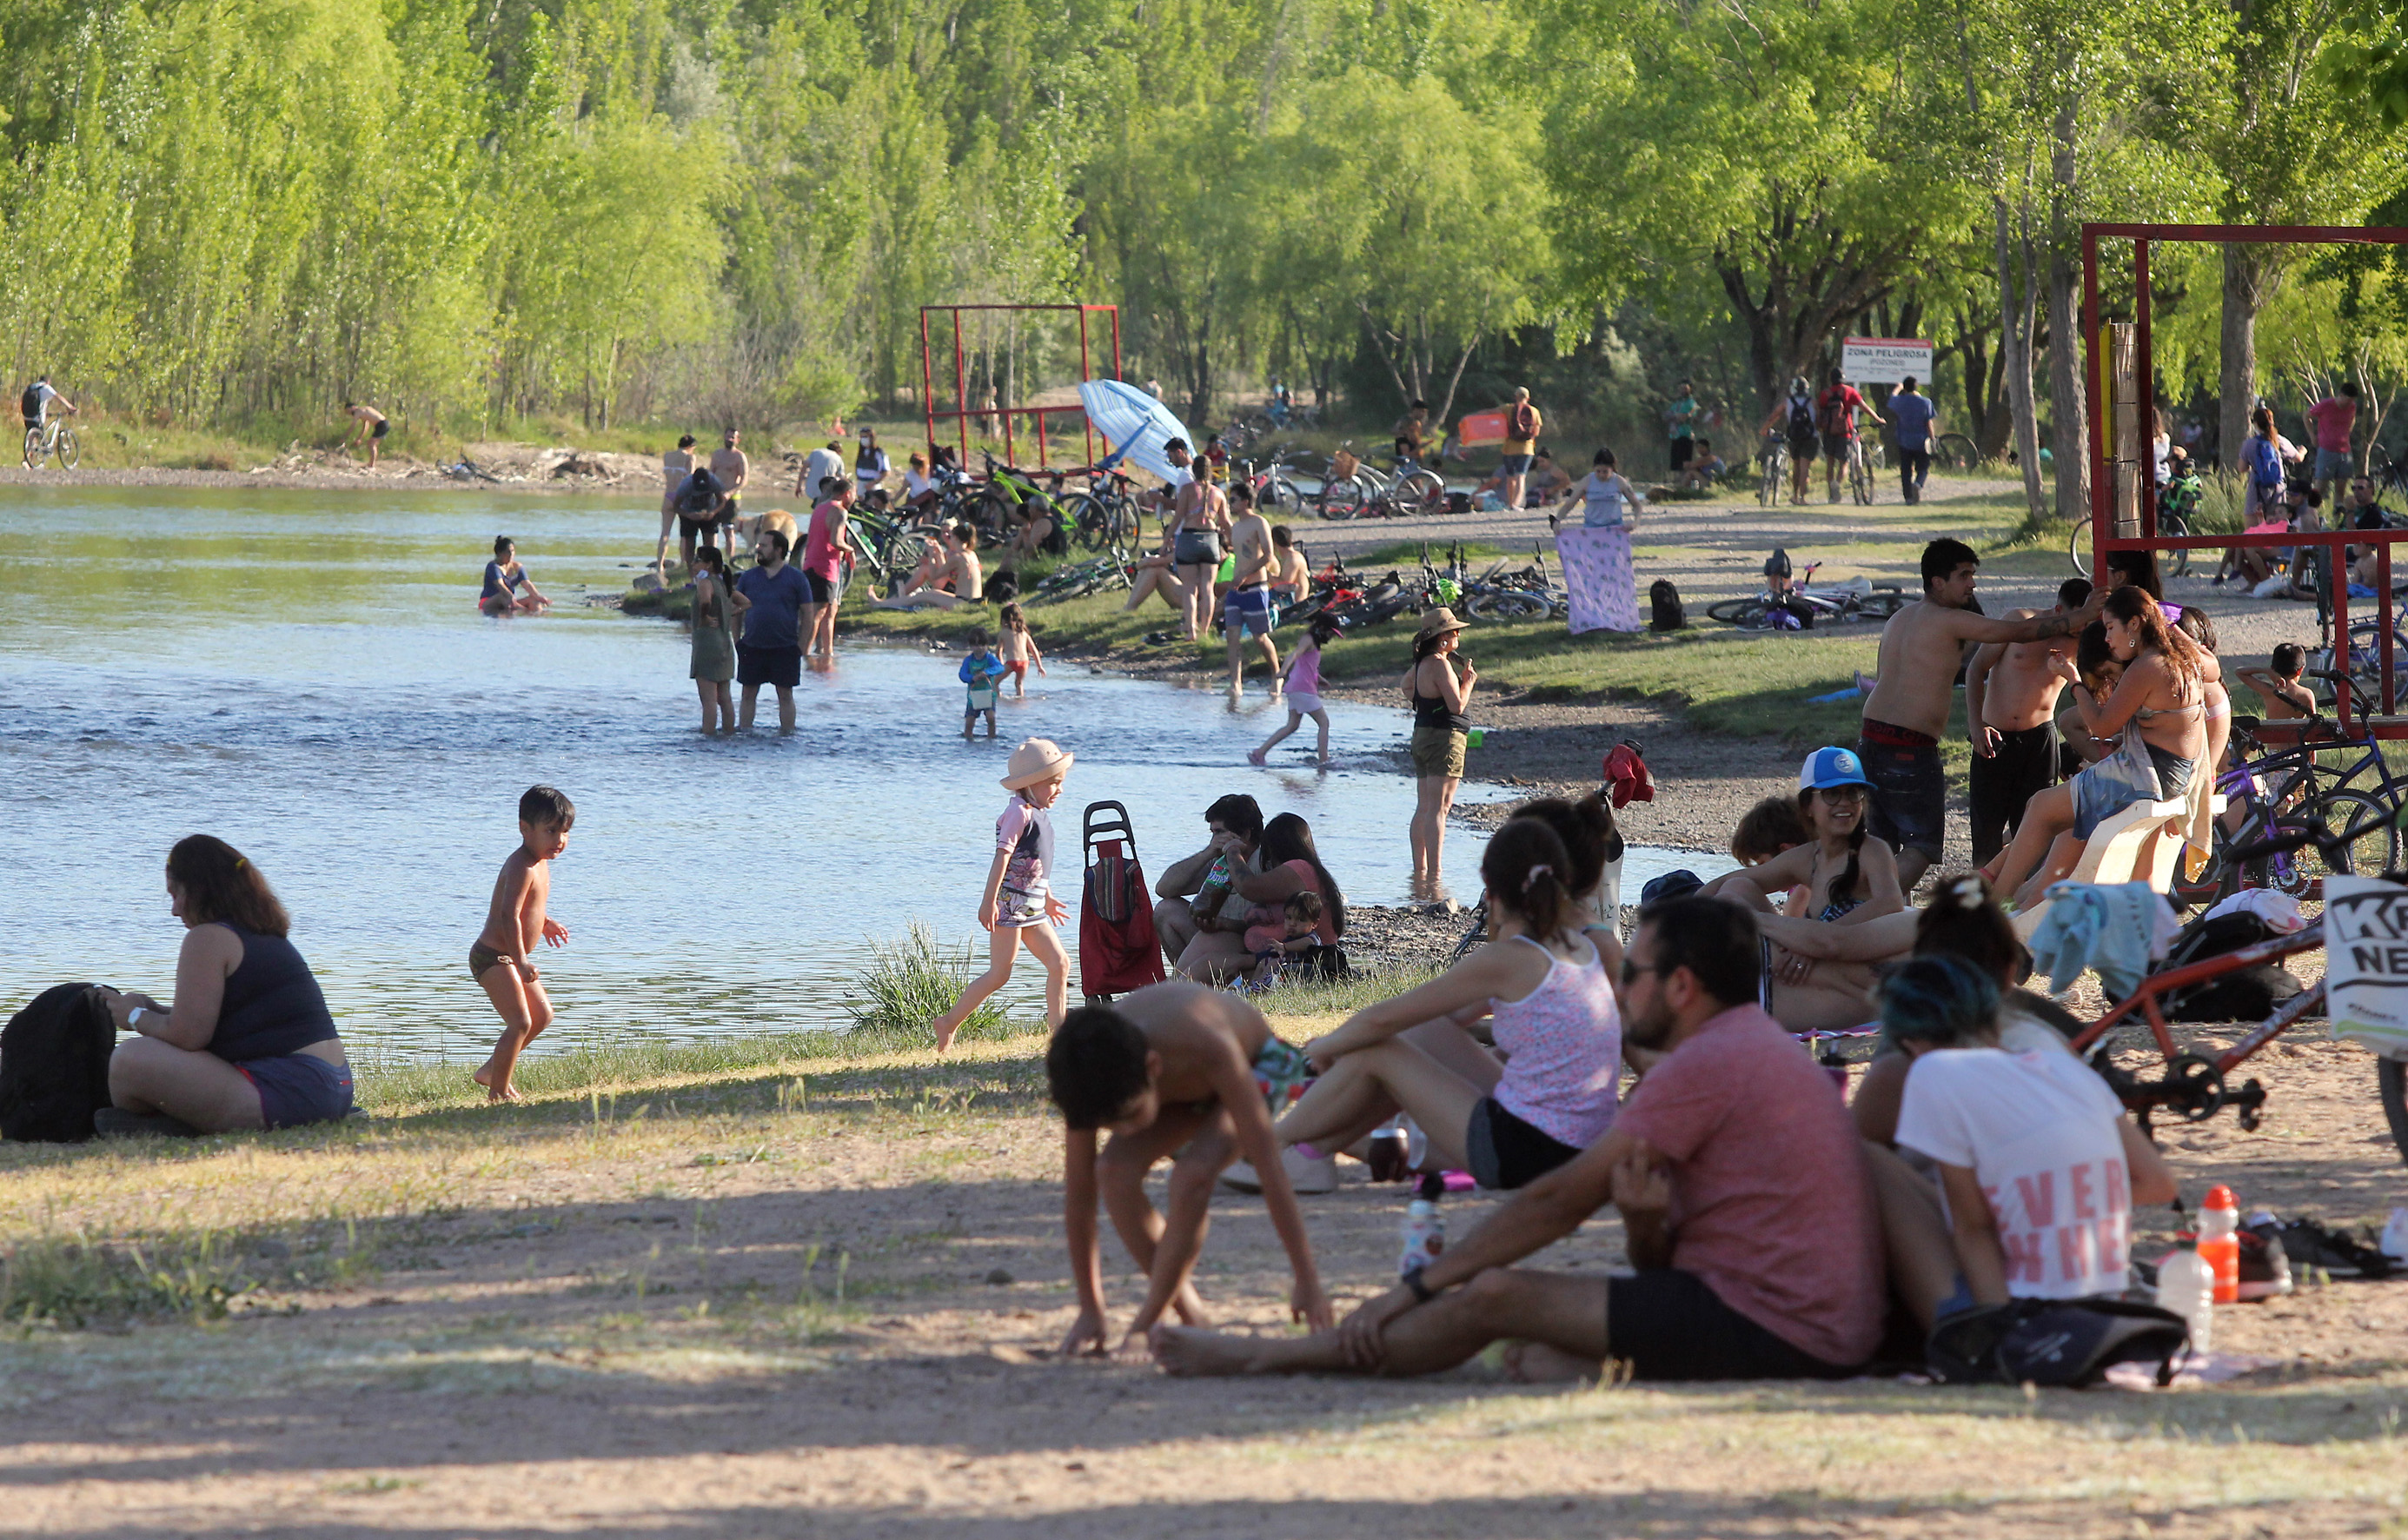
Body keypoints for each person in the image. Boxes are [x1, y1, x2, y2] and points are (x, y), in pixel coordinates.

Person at [1152, 896, 1883, 1384]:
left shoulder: (1706, 1063)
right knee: (1537, 1357)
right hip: (1796, 1317)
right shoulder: (1747, 1043)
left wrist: (1417, 1287)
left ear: (1683, 987)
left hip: (1779, 1329)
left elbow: (1557, 1203)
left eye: (1636, 976)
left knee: (1495, 1293)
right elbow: (1683, 1248)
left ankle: (1276, 1357)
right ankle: (1596, 1365)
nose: (1622, 990)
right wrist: (1639, 1224)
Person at [1266, 817, 1618, 1192]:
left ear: (1490, 889)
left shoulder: (1507, 960)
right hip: (1579, 1145)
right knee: (1420, 1029)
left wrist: (1322, 1048)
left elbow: (1382, 1020)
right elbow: (1436, 1019)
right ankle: (1311, 1153)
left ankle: (1263, 1144)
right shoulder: (1582, 946)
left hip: (1525, 1154)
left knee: (1379, 1053)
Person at [1867, 953, 2178, 1331]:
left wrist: (2000, 1335)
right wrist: (2060, 1207)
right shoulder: (2063, 1065)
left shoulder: (1936, 1071)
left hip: (2029, 1309)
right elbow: (2158, 1182)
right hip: (2104, 1304)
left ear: (1910, 1041)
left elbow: (1973, 1229)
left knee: (1869, 1160)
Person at [1047, 981, 1334, 1360]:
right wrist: (1089, 1308)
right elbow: (1081, 1195)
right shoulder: (1085, 1079)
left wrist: (1307, 1278)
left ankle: (1147, 1323)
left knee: (1192, 1176)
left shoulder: (1204, 1043)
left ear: (1153, 1068)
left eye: (1131, 1116)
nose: (1127, 1132)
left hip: (1260, 1064)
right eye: (1110, 1125)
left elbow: (1269, 1165)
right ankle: (1191, 1316)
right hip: (1182, 1088)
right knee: (1114, 1170)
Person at [1860, 539, 2103, 892]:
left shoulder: (1900, 618)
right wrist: (2078, 617)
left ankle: (1881, 927)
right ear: (1937, 582)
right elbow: (2013, 632)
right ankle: (1875, 910)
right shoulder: (1950, 619)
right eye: (1964, 576)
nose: (1972, 584)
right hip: (1908, 746)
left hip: (1870, 737)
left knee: (1883, 844)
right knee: (1922, 846)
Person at [93, 836, 355, 1136]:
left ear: (199, 891)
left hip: (287, 1092)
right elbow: (219, 1023)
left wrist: (135, 1017)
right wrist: (154, 1009)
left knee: (130, 1061)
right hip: (332, 1090)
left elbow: (190, 1035)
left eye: (175, 895)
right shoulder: (261, 932)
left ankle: (171, 1123)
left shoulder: (207, 938)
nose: (174, 910)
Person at [1987, 586, 2207, 909]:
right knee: (2059, 817)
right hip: (2172, 774)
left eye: (2109, 628)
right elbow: (2212, 671)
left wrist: (2074, 682)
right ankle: (2018, 901)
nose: (2106, 639)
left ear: (2134, 624)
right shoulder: (2182, 657)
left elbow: (2101, 727)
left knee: (2040, 807)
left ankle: (1993, 905)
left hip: (2149, 777)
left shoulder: (2147, 666)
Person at [931, 739, 1076, 1051]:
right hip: (1009, 906)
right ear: (1031, 784)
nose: (1059, 789)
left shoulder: (1038, 813)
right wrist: (988, 902)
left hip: (1031, 908)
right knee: (1000, 973)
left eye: (1060, 783)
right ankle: (948, 1022)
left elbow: (1034, 863)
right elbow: (1003, 858)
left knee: (1060, 963)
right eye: (1053, 783)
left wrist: (1047, 897)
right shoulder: (1018, 813)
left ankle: (1060, 1038)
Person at [1964, 578, 2088, 866]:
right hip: (1995, 736)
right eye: (2076, 619)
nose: (2080, 627)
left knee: (2033, 830)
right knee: (1986, 832)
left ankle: (2021, 903)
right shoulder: (2020, 622)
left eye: (2087, 620)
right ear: (2059, 609)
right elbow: (1976, 669)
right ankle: (1982, 903)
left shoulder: (2082, 643)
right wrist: (1975, 724)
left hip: (2039, 739)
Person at [1715, 748, 1904, 931]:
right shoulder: (1806, 857)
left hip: (1850, 957)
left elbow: (1890, 902)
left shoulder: (1872, 851)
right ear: (1807, 806)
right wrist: (1690, 907)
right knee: (1736, 887)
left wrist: (1811, 939)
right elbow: (1735, 880)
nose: (1845, 802)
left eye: (1853, 793)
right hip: (1810, 953)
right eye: (1832, 794)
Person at [468, 786, 575, 1104]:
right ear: (524, 829)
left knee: (542, 1016)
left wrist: (545, 921)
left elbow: (529, 908)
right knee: (520, 1022)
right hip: (493, 957)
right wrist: (521, 961)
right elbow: (508, 915)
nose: (560, 840)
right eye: (551, 831)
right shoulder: (521, 865)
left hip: (510, 957)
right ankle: (497, 1092)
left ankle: (492, 1070)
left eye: (566, 832)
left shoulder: (540, 862)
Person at [1175, 811, 1345, 984]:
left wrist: (1233, 851)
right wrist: (1226, 924)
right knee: (1203, 967)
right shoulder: (1297, 873)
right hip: (1268, 957)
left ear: (1275, 846)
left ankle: (1173, 996)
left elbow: (1248, 887)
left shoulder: (1301, 869)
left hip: (1298, 963)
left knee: (1202, 970)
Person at [1151, 794, 1268, 974]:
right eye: (1212, 833)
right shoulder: (1218, 859)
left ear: (1245, 833)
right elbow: (1164, 889)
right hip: (1214, 931)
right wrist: (1207, 853)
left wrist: (1226, 924)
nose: (1215, 839)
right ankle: (1193, 976)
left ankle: (1184, 983)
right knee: (1165, 910)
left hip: (1245, 939)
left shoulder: (1264, 860)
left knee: (1211, 940)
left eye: (1220, 833)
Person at [1404, 607, 1476, 894]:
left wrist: (1425, 701)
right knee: (1440, 808)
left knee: (1424, 805)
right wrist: (1468, 682)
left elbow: (1406, 686)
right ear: (1441, 638)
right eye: (1453, 631)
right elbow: (1457, 705)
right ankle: (1435, 875)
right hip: (1444, 738)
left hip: (1422, 735)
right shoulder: (1440, 663)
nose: (1457, 634)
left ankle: (1418, 872)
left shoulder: (1422, 662)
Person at [734, 528, 808, 731]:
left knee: (785, 695)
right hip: (752, 645)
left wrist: (802, 646)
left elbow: (808, 614)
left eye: (764, 546)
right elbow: (736, 610)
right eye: (759, 545)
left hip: (785, 647)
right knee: (748, 694)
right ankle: (744, 733)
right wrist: (736, 640)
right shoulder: (748, 577)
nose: (758, 549)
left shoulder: (796, 578)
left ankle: (787, 735)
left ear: (778, 550)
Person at [1250, 615, 1338, 767]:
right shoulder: (1308, 638)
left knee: (1292, 725)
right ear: (1322, 629)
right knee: (1324, 723)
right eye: (1331, 633)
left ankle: (1259, 753)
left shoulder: (1314, 643)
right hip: (1303, 688)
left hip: (1298, 687)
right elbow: (1295, 654)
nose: (1330, 637)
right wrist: (1282, 670)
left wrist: (1320, 679)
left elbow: (1308, 667)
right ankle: (1324, 761)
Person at [1165, 439, 1228, 642]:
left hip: (1189, 538)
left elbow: (1178, 518)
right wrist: (1235, 540)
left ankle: (1191, 630)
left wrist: (1166, 540)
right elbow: (1226, 522)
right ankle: (1204, 629)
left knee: (1190, 588)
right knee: (1208, 588)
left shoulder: (1187, 490)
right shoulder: (1218, 493)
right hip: (1210, 539)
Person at [1222, 483, 1279, 694]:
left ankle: (1277, 675)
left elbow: (1268, 555)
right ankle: (1235, 684)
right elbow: (1239, 554)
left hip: (1256, 588)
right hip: (1235, 591)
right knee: (1232, 636)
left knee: (1260, 637)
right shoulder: (1236, 527)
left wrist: (1245, 575)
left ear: (1246, 501)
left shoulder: (1259, 523)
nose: (1230, 504)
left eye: (1233, 500)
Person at [687, 545, 746, 733]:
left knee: (708, 700)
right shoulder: (723, 585)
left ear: (709, 564)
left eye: (698, 560)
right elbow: (746, 602)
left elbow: (705, 601)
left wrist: (704, 617)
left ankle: (708, 735)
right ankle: (729, 733)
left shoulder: (705, 584)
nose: (694, 563)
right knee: (725, 698)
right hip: (724, 644)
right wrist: (731, 613)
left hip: (707, 645)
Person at [800, 476, 858, 660]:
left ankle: (827, 653)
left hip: (811, 563)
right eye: (854, 494)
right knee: (817, 613)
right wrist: (851, 550)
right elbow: (836, 541)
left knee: (830, 610)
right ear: (847, 493)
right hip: (824, 566)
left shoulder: (820, 507)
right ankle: (804, 654)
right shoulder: (839, 511)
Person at [1813, 368, 1884, 502]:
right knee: (1844, 464)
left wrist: (1819, 426)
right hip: (1845, 432)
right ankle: (1837, 486)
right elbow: (1864, 407)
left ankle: (1832, 495)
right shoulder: (1849, 391)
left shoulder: (1825, 394)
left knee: (1830, 463)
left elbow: (1819, 412)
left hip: (1828, 432)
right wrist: (1878, 419)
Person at [876, 521, 984, 610]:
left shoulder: (958, 557)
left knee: (922, 596)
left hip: (963, 603)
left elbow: (935, 575)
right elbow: (948, 575)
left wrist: (932, 554)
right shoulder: (971, 555)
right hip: (974, 602)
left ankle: (882, 604)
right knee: (932, 593)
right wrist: (939, 554)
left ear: (955, 537)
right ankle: (890, 601)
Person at [1761, 376, 1820, 504]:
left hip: (1794, 437)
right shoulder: (1813, 402)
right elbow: (1820, 418)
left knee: (1796, 466)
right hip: (1810, 437)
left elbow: (1773, 416)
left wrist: (1765, 429)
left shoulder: (1788, 402)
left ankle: (1795, 495)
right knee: (1805, 468)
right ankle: (1803, 498)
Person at [1244, 892, 1324, 985]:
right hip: (1288, 971)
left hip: (1306, 973)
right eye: (1289, 918)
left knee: (1274, 963)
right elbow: (1271, 953)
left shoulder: (1312, 937)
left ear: (1314, 924)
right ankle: (1251, 987)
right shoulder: (1289, 939)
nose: (1292, 923)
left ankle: (1261, 987)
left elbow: (1310, 943)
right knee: (1263, 963)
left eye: (1301, 920)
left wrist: (1285, 947)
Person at [653, 435, 701, 576]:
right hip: (682, 496)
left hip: (668, 495)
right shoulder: (689, 458)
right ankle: (683, 563)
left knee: (665, 533)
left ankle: (659, 565)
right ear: (690, 447)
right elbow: (690, 478)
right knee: (684, 534)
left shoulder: (667, 456)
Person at [2306, 380, 2359, 507]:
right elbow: (2306, 415)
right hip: (2327, 450)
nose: (2349, 404)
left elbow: (2352, 418)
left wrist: (2347, 431)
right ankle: (2311, 517)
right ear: (2340, 395)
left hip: (2345, 451)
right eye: (2347, 400)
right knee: (2320, 487)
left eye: (2352, 401)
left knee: (2341, 488)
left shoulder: (2352, 407)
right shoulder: (2326, 405)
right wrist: (2313, 436)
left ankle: (2337, 519)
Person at [1889, 375, 1939, 503]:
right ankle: (1918, 483)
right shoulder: (1926, 402)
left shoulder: (1900, 401)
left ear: (1904, 388)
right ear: (1917, 387)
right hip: (1922, 441)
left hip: (1904, 440)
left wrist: (1897, 388)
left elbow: (1891, 399)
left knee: (1906, 470)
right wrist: (1932, 439)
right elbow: (1929, 423)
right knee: (1923, 467)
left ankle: (1908, 497)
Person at [2236, 641, 2314, 720]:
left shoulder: (2268, 691)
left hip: (2271, 731)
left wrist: (2266, 671)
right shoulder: (2306, 694)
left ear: (2273, 668)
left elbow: (2239, 672)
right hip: (2297, 732)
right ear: (2300, 670)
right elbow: (2314, 722)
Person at [1497, 388, 1542, 515]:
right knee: (1521, 476)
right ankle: (1516, 505)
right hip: (1526, 449)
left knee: (1510, 477)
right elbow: (1536, 432)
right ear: (1528, 398)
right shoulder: (1534, 411)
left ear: (1515, 397)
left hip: (1509, 448)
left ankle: (1510, 504)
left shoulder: (1508, 408)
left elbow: (1492, 413)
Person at [479, 536, 549, 616]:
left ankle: (536, 619)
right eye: (508, 552)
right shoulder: (493, 566)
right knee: (504, 596)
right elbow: (500, 585)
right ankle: (526, 612)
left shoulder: (517, 567)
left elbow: (527, 584)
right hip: (488, 603)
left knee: (534, 600)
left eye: (512, 551)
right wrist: (512, 598)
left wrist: (539, 597)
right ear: (499, 553)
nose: (511, 555)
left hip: (510, 601)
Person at [959, 629, 1005, 739]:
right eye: (976, 645)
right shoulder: (968, 660)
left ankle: (992, 737)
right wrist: (972, 678)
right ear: (971, 646)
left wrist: (987, 673)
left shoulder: (989, 658)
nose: (979, 648)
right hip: (973, 696)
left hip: (988, 694)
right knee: (970, 720)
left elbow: (1000, 668)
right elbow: (962, 675)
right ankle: (968, 737)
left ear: (987, 645)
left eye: (982, 645)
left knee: (990, 718)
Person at [997, 601, 1045, 695]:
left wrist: (1000, 666)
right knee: (1019, 683)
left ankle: (999, 699)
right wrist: (1040, 667)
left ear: (1004, 620)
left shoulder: (1003, 633)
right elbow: (1034, 651)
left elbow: (998, 652)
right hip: (1024, 662)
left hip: (1011, 662)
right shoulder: (1024, 633)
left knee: (995, 682)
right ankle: (1020, 701)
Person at [710, 428, 751, 541]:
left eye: (732, 437)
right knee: (712, 529)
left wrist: (730, 493)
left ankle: (729, 557)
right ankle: (713, 555)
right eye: (727, 436)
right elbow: (711, 474)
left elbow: (744, 480)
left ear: (738, 440)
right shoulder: (717, 454)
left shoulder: (739, 457)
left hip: (732, 498)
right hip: (716, 497)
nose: (729, 439)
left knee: (728, 529)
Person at [19, 373, 74, 453]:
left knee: (32, 437)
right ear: (48, 381)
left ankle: (28, 461)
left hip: (27, 416)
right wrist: (70, 407)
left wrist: (46, 413)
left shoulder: (31, 387)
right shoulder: (46, 387)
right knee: (38, 438)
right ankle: (30, 458)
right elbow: (58, 397)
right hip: (38, 418)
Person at [1267, 524, 1310, 608]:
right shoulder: (1289, 557)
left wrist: (1265, 573)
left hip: (1296, 605)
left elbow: (1284, 586)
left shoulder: (1293, 559)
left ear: (1274, 543)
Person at [1664, 379, 1698, 478]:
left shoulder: (1692, 403)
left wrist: (1675, 416)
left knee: (1685, 463)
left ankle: (1686, 484)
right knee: (1676, 464)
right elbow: (1666, 416)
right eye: (1681, 389)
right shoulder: (1677, 404)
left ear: (1690, 390)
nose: (1683, 391)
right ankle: (1678, 484)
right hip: (1675, 435)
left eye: (1686, 388)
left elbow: (1684, 417)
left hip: (1685, 435)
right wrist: (1676, 416)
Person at [343, 401, 389, 468]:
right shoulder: (364, 411)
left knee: (371, 444)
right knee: (371, 443)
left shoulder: (358, 412)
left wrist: (344, 437)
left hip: (381, 424)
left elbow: (353, 426)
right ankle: (371, 464)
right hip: (383, 424)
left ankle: (371, 465)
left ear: (353, 407)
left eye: (348, 411)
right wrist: (359, 438)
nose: (348, 413)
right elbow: (365, 427)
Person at [852, 428, 891, 501]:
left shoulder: (879, 453)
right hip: (861, 482)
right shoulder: (861, 452)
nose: (863, 440)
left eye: (865, 437)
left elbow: (886, 472)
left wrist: (873, 483)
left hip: (873, 485)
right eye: (861, 437)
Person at [1393, 400, 1431, 467]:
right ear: (1415, 409)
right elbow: (1397, 432)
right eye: (1422, 411)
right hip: (1408, 458)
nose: (1424, 414)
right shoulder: (1406, 421)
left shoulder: (1417, 422)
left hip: (1415, 457)